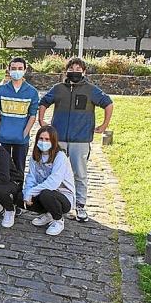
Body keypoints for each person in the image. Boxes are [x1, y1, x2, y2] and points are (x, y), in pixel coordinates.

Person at [38, 57, 113, 223]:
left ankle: (80, 205)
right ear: (67, 71)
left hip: (81, 140)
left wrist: (104, 125)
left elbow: (108, 103)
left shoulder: (91, 90)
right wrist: (42, 121)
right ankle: (53, 205)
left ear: (84, 71)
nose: (75, 71)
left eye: (79, 69)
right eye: (72, 68)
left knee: (80, 174)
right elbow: (43, 102)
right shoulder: (58, 89)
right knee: (54, 172)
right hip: (59, 139)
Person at [23, 126, 76, 236]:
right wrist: (27, 192)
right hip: (43, 192)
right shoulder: (35, 157)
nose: (43, 142)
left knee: (46, 194)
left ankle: (58, 220)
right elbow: (31, 177)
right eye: (41, 139)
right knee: (20, 197)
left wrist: (32, 192)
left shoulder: (60, 157)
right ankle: (49, 214)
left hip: (63, 197)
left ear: (53, 141)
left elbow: (53, 183)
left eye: (47, 139)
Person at [0, 57, 39, 176]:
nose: (16, 71)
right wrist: (0, 128)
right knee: (3, 168)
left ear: (24, 70)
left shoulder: (32, 92)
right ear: (9, 69)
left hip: (21, 138)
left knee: (19, 169)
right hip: (4, 137)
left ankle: (18, 193)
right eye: (13, 68)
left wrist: (25, 132)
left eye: (19, 68)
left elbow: (33, 115)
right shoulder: (1, 90)